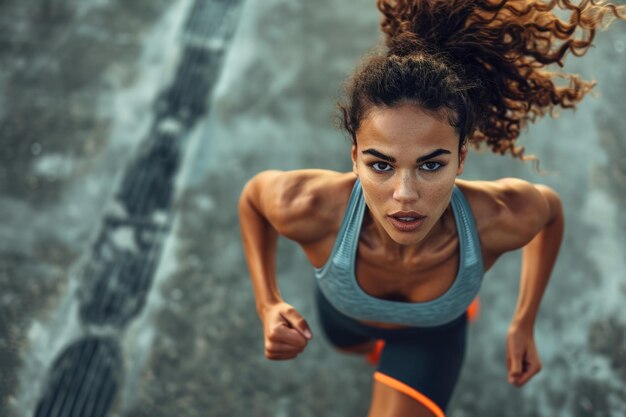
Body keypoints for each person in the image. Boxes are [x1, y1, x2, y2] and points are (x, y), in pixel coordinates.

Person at [238, 1, 626, 416]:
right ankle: (379, 351)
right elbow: (253, 201)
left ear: (461, 159)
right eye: (381, 164)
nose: (405, 194)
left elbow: (551, 213)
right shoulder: (308, 204)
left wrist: (524, 320)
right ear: (354, 157)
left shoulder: (500, 216)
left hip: (433, 338)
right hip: (343, 328)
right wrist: (268, 303)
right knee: (357, 348)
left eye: (431, 164)